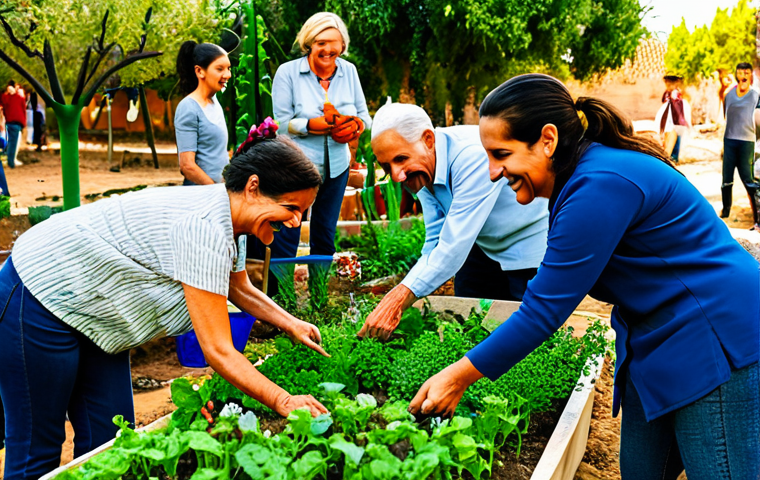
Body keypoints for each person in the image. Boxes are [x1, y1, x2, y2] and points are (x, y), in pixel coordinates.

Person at [408, 74, 759, 480]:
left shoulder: (599, 185)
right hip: (657, 338)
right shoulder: (581, 180)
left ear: (548, 140)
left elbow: (543, 312)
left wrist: (458, 376)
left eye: (501, 153)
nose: (492, 172)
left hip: (714, 338)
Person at [0, 124, 331, 479]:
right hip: (40, 295)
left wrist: (291, 323)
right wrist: (285, 401)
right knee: (38, 448)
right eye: (291, 207)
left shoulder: (230, 219)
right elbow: (218, 350)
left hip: (98, 317)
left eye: (303, 212)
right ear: (253, 188)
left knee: (112, 445)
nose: (296, 222)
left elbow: (239, 288)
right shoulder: (204, 227)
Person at [357, 103, 548, 340]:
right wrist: (401, 295)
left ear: (428, 139)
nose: (397, 175)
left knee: (527, 333)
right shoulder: (422, 170)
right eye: (387, 166)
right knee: (471, 326)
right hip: (482, 242)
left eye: (401, 159)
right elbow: (436, 242)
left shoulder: (472, 155)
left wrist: (399, 297)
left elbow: (453, 245)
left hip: (526, 243)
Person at [262, 12, 370, 289]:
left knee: (324, 234)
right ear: (309, 43)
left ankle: (319, 296)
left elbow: (364, 117)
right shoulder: (288, 73)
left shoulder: (350, 72)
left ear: (342, 46)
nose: (327, 49)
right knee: (288, 231)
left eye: (334, 43)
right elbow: (280, 124)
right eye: (320, 43)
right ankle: (280, 300)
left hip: (337, 165)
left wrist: (354, 125)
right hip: (296, 168)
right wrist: (312, 125)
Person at [174, 41, 232, 185]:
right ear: (200, 71)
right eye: (220, 69)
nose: (228, 74)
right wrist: (215, 191)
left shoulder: (215, 101)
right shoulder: (188, 108)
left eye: (228, 68)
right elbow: (187, 166)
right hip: (200, 197)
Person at [720, 62, 760, 227]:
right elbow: (726, 118)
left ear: (750, 75)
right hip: (730, 140)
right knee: (726, 179)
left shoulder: (756, 96)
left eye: (746, 73)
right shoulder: (729, 95)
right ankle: (726, 210)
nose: (743, 76)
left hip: (748, 142)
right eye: (740, 73)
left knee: (749, 180)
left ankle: (758, 220)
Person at [654, 74, 691, 163]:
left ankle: (674, 159)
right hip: (670, 120)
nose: (668, 86)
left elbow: (678, 108)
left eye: (670, 84)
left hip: (676, 120)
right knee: (670, 139)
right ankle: (671, 158)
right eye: (666, 84)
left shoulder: (676, 94)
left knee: (676, 140)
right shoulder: (668, 94)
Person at [0, 80, 26, 168]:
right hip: (16, 123)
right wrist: (23, 123)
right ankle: (11, 162)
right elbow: (23, 111)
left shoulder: (6, 98)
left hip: (10, 122)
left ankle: (10, 160)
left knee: (11, 142)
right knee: (13, 143)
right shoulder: (19, 98)